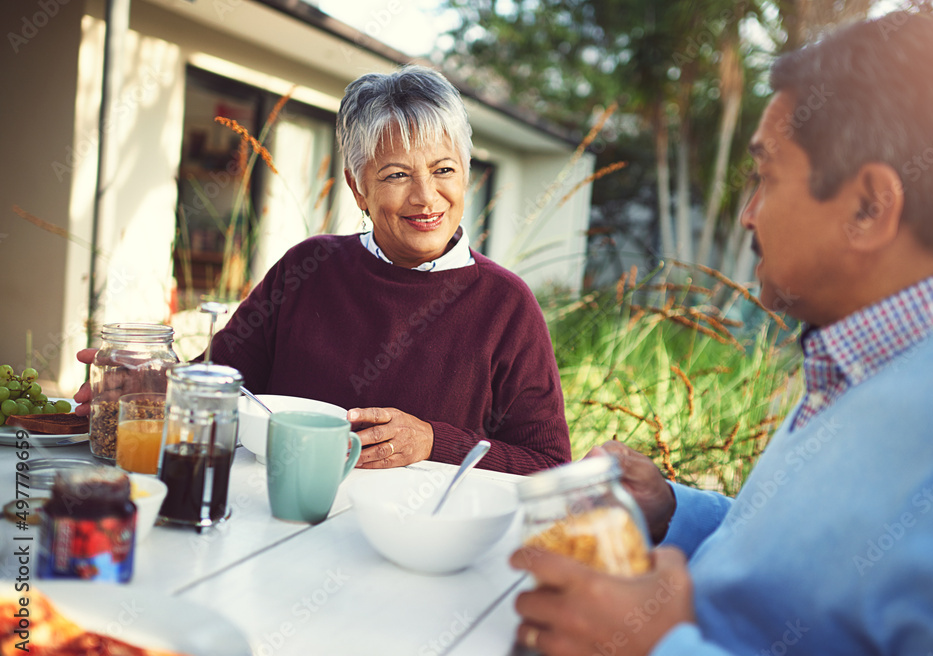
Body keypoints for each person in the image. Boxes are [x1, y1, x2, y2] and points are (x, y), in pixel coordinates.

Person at [510, 12, 933, 656]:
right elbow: (818, 571)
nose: (747, 215)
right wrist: (674, 510)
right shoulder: (868, 353)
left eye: (766, 178)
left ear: (869, 207)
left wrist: (657, 652)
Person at [75, 65, 571, 475]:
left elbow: (547, 465)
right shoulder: (307, 269)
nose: (426, 197)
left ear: (464, 173)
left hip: (414, 553)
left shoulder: (506, 305)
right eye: (396, 175)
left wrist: (433, 442)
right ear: (358, 189)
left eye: (443, 170)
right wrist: (144, 386)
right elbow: (216, 387)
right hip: (275, 525)